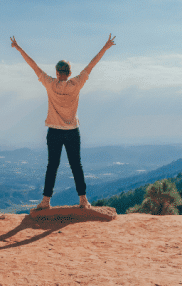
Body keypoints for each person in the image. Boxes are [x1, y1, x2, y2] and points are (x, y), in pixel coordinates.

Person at [10, 34, 116, 210]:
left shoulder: (50, 84)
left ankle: (45, 201)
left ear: (57, 73)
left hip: (54, 131)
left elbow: (33, 66)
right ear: (70, 73)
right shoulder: (77, 83)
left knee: (52, 165)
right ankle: (83, 200)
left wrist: (19, 48)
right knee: (76, 165)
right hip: (72, 130)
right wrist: (105, 47)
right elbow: (91, 65)